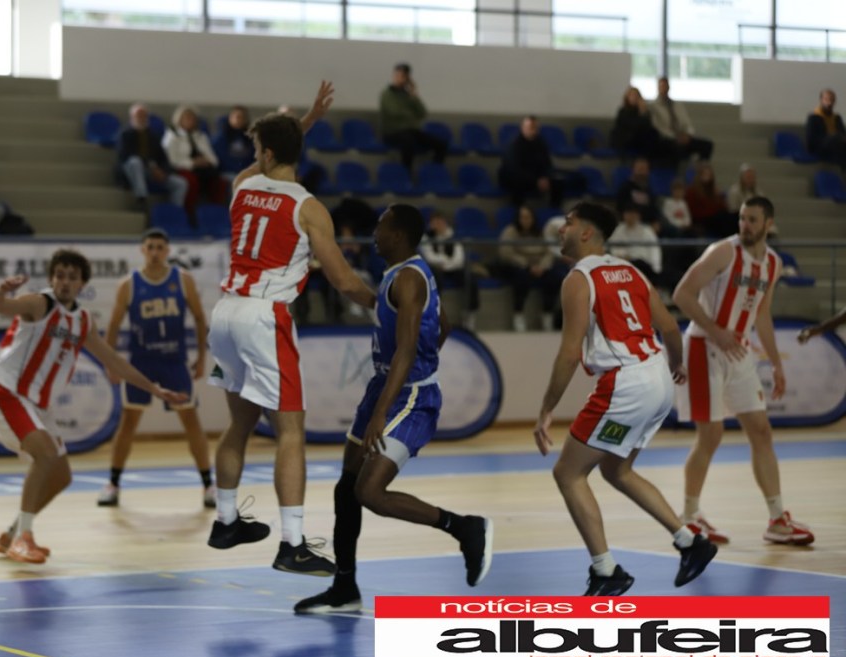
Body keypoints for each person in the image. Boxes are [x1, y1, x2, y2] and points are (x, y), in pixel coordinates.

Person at [206, 82, 376, 576]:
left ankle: (226, 521)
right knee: (291, 431)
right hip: (265, 316)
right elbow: (342, 280)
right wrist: (380, 304)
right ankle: (293, 545)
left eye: (258, 148)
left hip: (227, 311)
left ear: (265, 153)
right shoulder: (308, 207)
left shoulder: (243, 185)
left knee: (239, 424)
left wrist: (304, 121)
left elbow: (269, 154)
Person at [293, 205, 492, 613]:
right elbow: (443, 326)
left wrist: (384, 410)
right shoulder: (398, 274)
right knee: (347, 487)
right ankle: (344, 587)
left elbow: (405, 351)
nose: (375, 233)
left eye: (381, 226)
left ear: (399, 235)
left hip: (411, 398)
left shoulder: (408, 278)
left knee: (369, 491)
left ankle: (464, 527)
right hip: (384, 388)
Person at [534, 201, 717, 596]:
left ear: (586, 232)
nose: (561, 228)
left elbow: (569, 353)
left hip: (626, 385)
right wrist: (677, 364)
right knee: (616, 470)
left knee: (568, 473)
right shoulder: (632, 271)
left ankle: (606, 571)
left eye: (568, 222)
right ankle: (690, 542)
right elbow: (670, 328)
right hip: (657, 377)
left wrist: (546, 409)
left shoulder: (579, 279)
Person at [0, 249, 187, 564]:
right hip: (9, 394)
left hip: (38, 406)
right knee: (45, 455)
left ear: (82, 284)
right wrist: (2, 290)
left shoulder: (82, 321)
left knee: (61, 476)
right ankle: (23, 538)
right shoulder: (39, 303)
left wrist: (155, 389)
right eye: (59, 275)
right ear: (52, 278)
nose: (65, 282)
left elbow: (114, 361)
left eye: (72, 277)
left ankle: (12, 533)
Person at [672, 196, 814, 547]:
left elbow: (762, 315)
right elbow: (682, 294)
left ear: (769, 224)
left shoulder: (773, 263)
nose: (745, 225)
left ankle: (777, 519)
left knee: (762, 431)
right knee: (711, 435)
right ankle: (689, 517)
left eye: (752, 220)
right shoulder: (722, 252)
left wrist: (776, 363)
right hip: (705, 346)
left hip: (740, 352)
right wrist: (716, 330)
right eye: (742, 218)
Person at [97, 228, 214, 509]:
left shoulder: (182, 280)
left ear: (168, 251)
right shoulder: (129, 284)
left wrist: (201, 357)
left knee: (191, 421)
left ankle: (209, 485)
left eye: (160, 247)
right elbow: (113, 325)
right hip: (141, 363)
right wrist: (111, 363)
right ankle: (113, 483)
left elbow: (200, 318)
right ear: (142, 250)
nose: (155, 252)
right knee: (128, 423)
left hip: (174, 361)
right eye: (150, 247)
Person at [117, 103, 187, 210]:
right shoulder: (125, 135)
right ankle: (141, 198)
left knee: (181, 183)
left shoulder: (154, 136)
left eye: (144, 116)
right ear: (132, 117)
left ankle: (175, 211)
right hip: (133, 169)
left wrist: (163, 171)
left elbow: (163, 158)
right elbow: (125, 156)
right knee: (135, 162)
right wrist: (151, 167)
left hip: (153, 172)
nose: (141, 118)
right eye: (138, 116)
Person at [379, 63, 446, 174]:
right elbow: (394, 112)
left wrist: (414, 95)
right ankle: (406, 173)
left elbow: (422, 113)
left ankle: (434, 173)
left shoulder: (408, 95)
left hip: (411, 131)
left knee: (441, 144)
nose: (398, 78)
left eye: (402, 76)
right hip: (393, 132)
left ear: (407, 78)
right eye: (397, 75)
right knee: (408, 142)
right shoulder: (387, 94)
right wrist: (410, 114)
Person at [650, 77, 714, 162]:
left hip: (683, 136)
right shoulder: (653, 107)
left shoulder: (677, 105)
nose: (664, 89)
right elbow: (659, 127)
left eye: (665, 86)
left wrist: (688, 134)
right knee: (675, 148)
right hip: (667, 139)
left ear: (669, 87)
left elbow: (687, 123)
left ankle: (701, 166)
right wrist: (675, 137)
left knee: (707, 145)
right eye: (661, 86)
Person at [805, 88, 846, 170]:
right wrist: (831, 138)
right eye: (826, 99)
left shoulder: (837, 118)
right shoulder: (814, 117)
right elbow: (811, 140)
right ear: (821, 100)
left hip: (836, 146)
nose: (829, 102)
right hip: (820, 147)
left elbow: (843, 135)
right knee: (836, 138)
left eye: (832, 100)